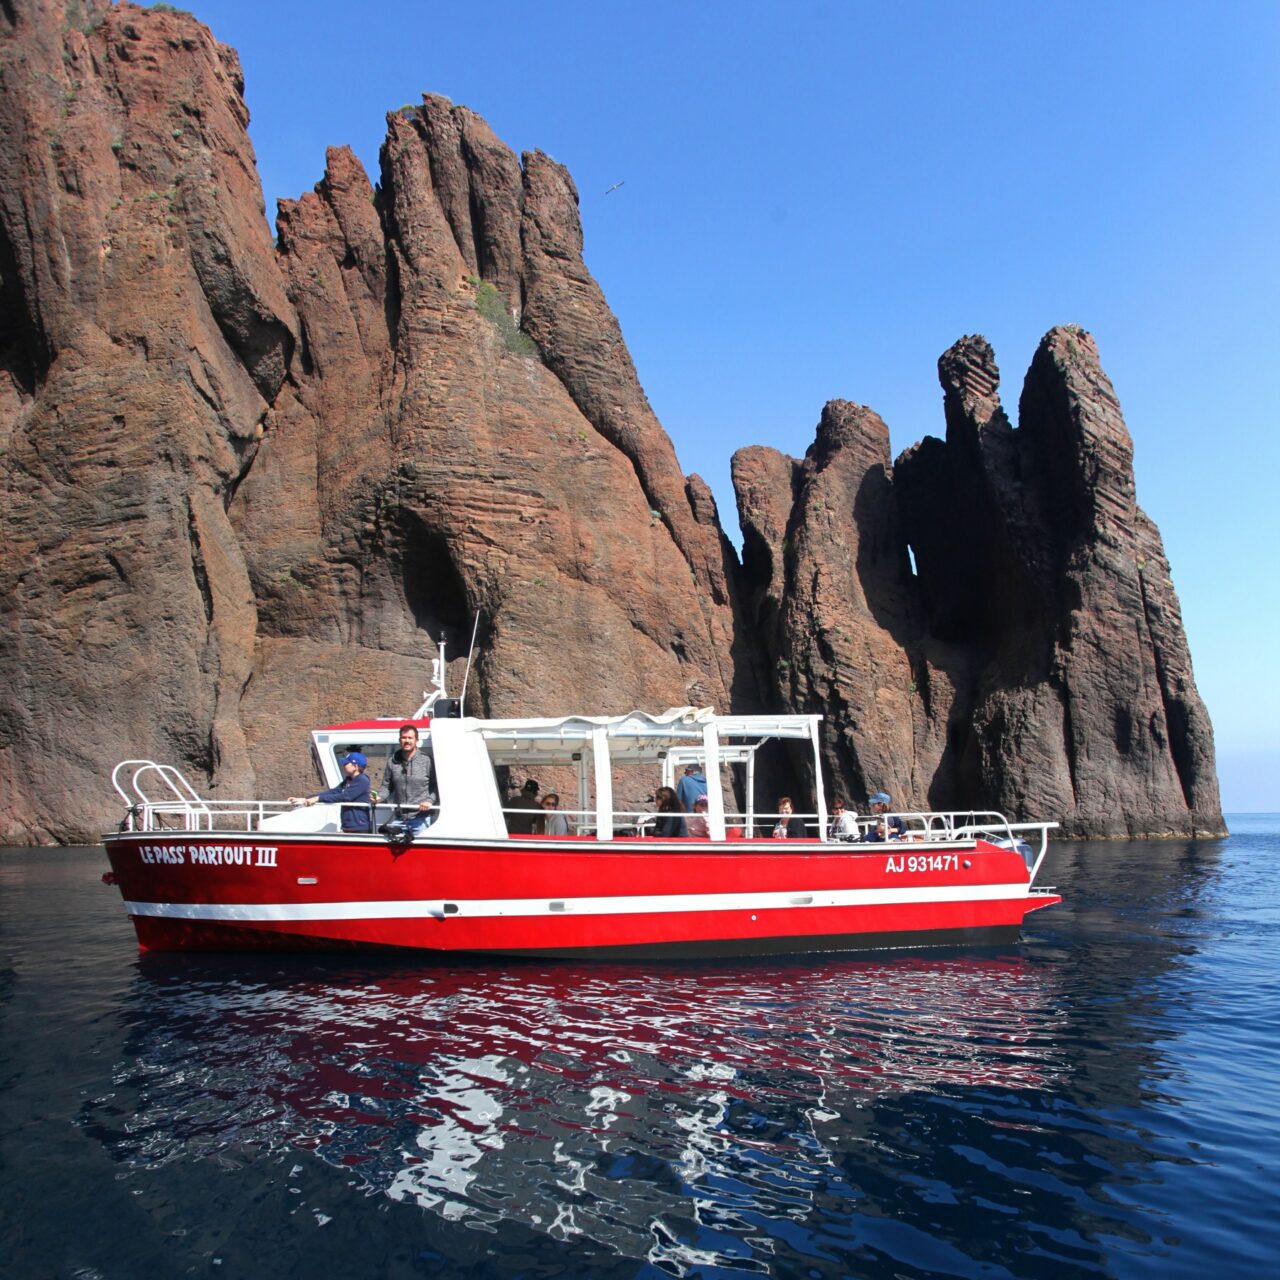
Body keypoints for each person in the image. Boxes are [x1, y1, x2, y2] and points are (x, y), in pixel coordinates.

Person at [289, 752, 372, 833]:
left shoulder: (362, 780)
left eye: (346, 763)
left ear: (355, 766)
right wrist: (306, 799)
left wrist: (318, 799)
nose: (343, 765)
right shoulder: (348, 780)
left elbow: (346, 796)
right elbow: (333, 792)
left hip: (359, 826)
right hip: (349, 825)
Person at [380, 724, 437, 836]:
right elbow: (386, 786)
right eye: (404, 738)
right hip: (399, 817)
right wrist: (379, 797)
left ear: (416, 740)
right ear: (399, 740)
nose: (407, 741)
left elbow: (437, 787)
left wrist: (429, 801)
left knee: (420, 852)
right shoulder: (392, 761)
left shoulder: (427, 761)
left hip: (421, 819)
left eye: (410, 738)